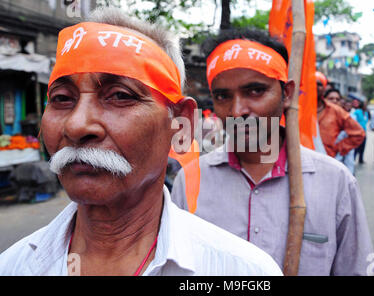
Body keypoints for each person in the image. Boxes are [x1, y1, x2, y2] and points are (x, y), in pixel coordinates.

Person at [0, 8, 282, 276]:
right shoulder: (13, 266)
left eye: (120, 95)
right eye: (62, 99)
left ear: (180, 123)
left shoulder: (240, 270)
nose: (76, 125)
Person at [171, 29, 374, 276]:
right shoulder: (191, 181)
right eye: (223, 96)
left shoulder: (335, 182)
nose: (237, 111)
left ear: (286, 94)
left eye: (255, 91)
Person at [316, 73, 365, 162]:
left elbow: (359, 134)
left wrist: (337, 148)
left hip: (328, 161)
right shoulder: (298, 108)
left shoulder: (337, 111)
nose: (315, 86)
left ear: (324, 88)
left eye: (319, 84)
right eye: (312, 83)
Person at [351, 98, 370, 164]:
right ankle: (353, 159)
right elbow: (353, 120)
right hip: (357, 133)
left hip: (364, 132)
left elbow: (366, 121)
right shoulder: (357, 111)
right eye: (364, 105)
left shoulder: (366, 113)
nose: (365, 106)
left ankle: (361, 159)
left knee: (363, 146)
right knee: (357, 147)